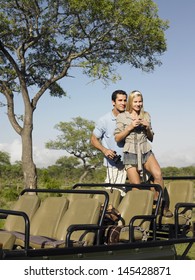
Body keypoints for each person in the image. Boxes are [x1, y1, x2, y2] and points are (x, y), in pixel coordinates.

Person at [114, 90, 172, 217]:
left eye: (140, 101)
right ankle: (137, 215)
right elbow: (118, 138)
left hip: (145, 149)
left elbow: (151, 138)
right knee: (136, 187)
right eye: (135, 101)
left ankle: (159, 205)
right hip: (130, 152)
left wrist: (147, 127)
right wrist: (129, 127)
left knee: (158, 174)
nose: (138, 104)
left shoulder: (146, 115)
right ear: (130, 102)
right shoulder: (122, 116)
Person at [91, 90, 127, 185]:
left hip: (131, 163)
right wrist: (105, 150)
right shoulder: (104, 120)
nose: (123, 103)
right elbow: (93, 140)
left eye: (125, 100)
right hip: (114, 166)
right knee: (114, 195)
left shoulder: (129, 118)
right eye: (120, 100)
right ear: (113, 102)